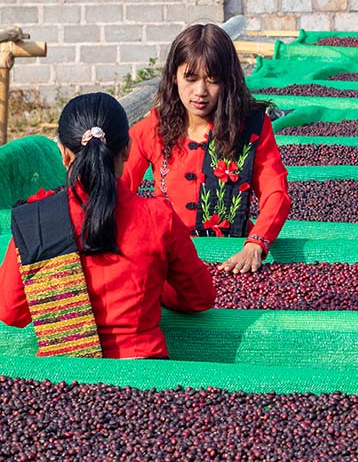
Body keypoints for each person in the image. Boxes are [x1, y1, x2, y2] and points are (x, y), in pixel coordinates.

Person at [0, 93, 215, 359]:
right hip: (145, 378)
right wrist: (156, 291)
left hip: (67, 382)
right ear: (127, 149)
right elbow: (200, 297)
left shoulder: (36, 219)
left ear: (64, 155)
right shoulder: (158, 217)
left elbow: (11, 312)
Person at [123, 24, 290, 273]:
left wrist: (255, 244)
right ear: (173, 76)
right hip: (168, 259)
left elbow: (275, 192)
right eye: (190, 78)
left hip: (233, 260)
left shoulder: (251, 127)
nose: (200, 92)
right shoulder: (153, 128)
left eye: (213, 80)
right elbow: (118, 189)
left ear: (228, 80)